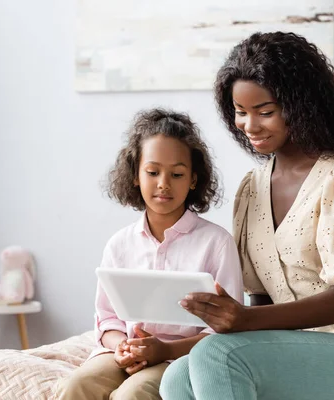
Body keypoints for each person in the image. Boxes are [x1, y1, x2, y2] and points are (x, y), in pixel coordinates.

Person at [160, 32, 334, 400]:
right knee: (177, 378)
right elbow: (261, 297)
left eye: (265, 112)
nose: (250, 126)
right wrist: (232, 319)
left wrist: (244, 323)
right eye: (240, 112)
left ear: (301, 105)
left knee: (216, 354)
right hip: (294, 350)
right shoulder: (252, 187)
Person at [56, 109, 243, 400]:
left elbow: (223, 329)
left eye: (177, 174)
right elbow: (107, 319)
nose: (163, 184)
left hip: (179, 356)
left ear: (193, 179)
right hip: (125, 352)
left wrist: (165, 349)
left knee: (133, 394)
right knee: (77, 385)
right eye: (153, 172)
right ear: (135, 176)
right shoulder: (119, 244)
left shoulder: (216, 243)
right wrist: (123, 346)